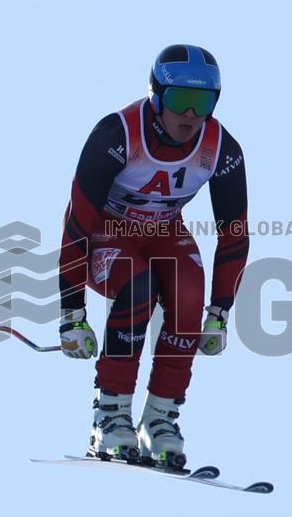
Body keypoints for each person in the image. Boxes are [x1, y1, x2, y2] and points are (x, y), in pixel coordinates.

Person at [58, 44, 249, 471]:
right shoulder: (117, 135)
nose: (190, 116)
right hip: (108, 232)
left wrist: (220, 310)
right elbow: (77, 223)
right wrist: (71, 313)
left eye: (203, 103)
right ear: (155, 95)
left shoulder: (220, 147)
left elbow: (234, 233)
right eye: (180, 100)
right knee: (137, 285)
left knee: (187, 291)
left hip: (163, 233)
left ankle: (160, 419)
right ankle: (110, 416)